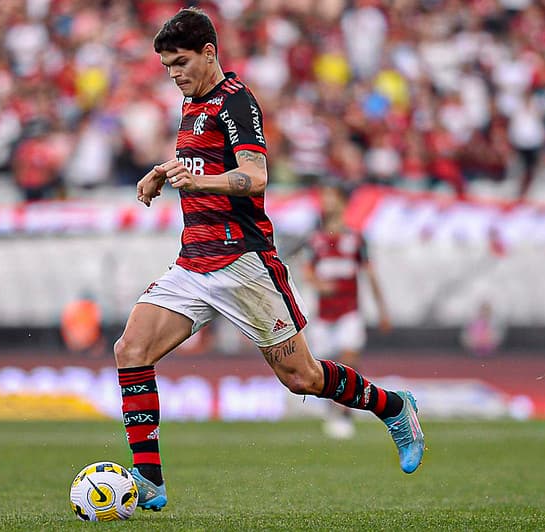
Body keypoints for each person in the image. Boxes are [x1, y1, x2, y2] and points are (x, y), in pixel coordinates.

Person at [114, 8, 424, 512]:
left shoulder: (237, 102)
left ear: (209, 53)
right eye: (167, 67)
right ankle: (149, 480)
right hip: (194, 261)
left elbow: (255, 176)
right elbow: (201, 161)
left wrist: (199, 182)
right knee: (131, 349)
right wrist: (163, 171)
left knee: (303, 378)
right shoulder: (191, 102)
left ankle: (393, 407)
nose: (174, 75)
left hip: (243, 262)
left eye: (181, 63)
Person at [302, 182, 391, 439]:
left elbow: (370, 274)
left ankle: (343, 414)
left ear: (342, 202)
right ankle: (334, 409)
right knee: (324, 369)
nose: (325, 202)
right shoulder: (315, 239)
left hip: (349, 311)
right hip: (323, 315)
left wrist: (382, 310)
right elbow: (307, 270)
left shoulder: (356, 239)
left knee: (349, 359)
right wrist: (319, 284)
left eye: (330, 196)